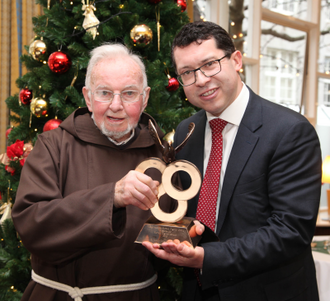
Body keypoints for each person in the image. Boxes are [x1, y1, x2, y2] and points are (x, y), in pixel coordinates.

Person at [143, 21, 322, 301]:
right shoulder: (185, 131)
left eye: (210, 64)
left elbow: (290, 232)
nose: (201, 80)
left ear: (236, 60)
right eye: (187, 73)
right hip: (199, 289)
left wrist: (206, 257)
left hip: (267, 292)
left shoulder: (289, 131)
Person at [11, 43, 178, 301]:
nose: (116, 105)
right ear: (88, 97)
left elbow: (172, 228)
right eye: (104, 93)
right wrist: (112, 196)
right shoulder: (53, 146)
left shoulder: (161, 155)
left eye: (129, 93)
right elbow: (32, 223)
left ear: (145, 98)